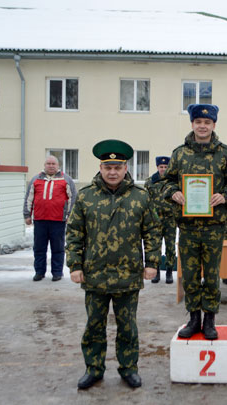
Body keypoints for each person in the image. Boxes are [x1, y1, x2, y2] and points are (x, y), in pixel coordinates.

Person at [66, 140, 159, 390]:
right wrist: (75, 265)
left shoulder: (140, 197)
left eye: (117, 167)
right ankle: (93, 369)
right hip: (94, 275)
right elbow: (75, 232)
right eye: (108, 167)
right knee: (94, 326)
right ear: (101, 167)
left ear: (126, 167)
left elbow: (151, 230)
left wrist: (152, 262)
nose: (113, 172)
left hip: (128, 275)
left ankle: (129, 368)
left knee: (127, 327)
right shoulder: (86, 196)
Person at [163, 104, 227, 340]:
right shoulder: (179, 154)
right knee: (189, 275)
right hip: (187, 226)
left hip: (214, 226)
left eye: (207, 123)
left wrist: (224, 196)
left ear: (214, 125)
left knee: (211, 275)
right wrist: (173, 193)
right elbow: (165, 182)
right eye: (198, 122)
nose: (202, 126)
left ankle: (209, 319)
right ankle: (193, 318)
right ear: (192, 124)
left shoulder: (225, 153)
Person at [23, 155, 76, 282]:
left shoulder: (66, 179)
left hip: (58, 220)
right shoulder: (36, 179)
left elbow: (73, 199)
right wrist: (27, 215)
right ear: (44, 165)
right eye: (48, 163)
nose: (51, 166)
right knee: (39, 248)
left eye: (53, 164)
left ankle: (57, 272)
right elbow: (29, 198)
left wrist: (70, 215)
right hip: (40, 219)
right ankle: (39, 272)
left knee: (57, 248)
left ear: (58, 166)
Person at [145, 156, 176, 284]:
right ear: (157, 167)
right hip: (155, 220)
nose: (163, 169)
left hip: (170, 219)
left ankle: (169, 271)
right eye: (161, 167)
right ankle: (156, 271)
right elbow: (146, 200)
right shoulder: (150, 182)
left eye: (165, 167)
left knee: (170, 246)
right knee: (155, 246)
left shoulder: (173, 182)